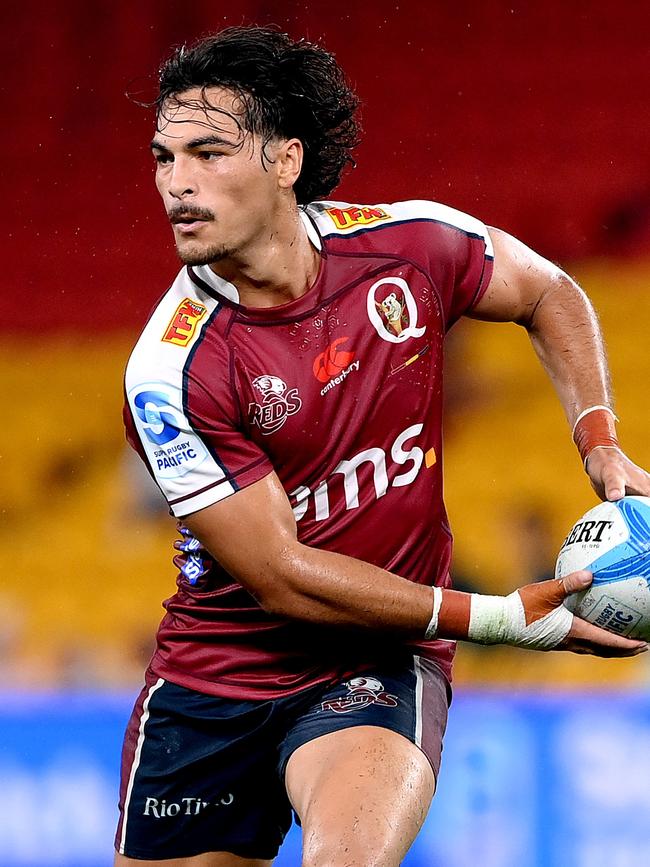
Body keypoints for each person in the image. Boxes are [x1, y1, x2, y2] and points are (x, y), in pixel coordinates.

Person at [116, 26, 650, 867]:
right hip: (211, 683)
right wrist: (498, 618)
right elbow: (281, 577)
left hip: (375, 660)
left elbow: (550, 292)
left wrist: (601, 442)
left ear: (285, 160)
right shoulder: (172, 368)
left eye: (208, 153)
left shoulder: (409, 248)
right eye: (162, 157)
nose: (175, 184)